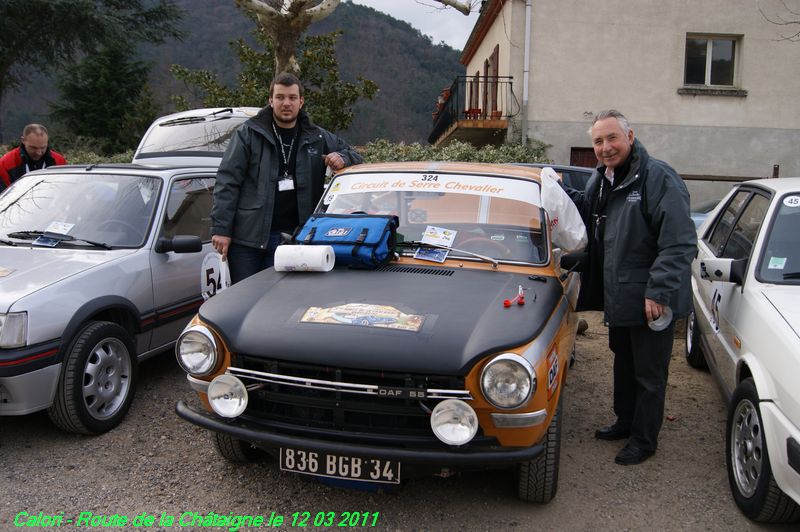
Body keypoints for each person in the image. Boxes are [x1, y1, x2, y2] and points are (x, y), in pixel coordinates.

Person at [562, 110, 696, 465]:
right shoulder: (603, 177)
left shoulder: (657, 178)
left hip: (650, 297)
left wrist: (659, 291)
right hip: (620, 294)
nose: (605, 148)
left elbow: (679, 242)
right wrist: (552, 186)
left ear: (630, 136)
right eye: (598, 141)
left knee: (649, 374)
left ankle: (644, 439)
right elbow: (589, 209)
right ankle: (625, 421)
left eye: (611, 139)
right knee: (624, 362)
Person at [211, 72, 363, 283]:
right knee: (245, 303)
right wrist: (221, 230)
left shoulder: (316, 136)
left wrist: (342, 157)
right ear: (270, 100)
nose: (286, 103)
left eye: (292, 98)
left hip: (295, 240)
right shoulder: (248, 134)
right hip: (247, 240)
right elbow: (227, 182)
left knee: (280, 306)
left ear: (301, 101)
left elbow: (356, 155)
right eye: (280, 97)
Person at [0, 124, 67, 192]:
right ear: (23, 140)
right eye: (33, 148)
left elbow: (63, 189)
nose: (38, 152)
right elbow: (4, 196)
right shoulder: (6, 163)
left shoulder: (59, 161)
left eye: (43, 147)